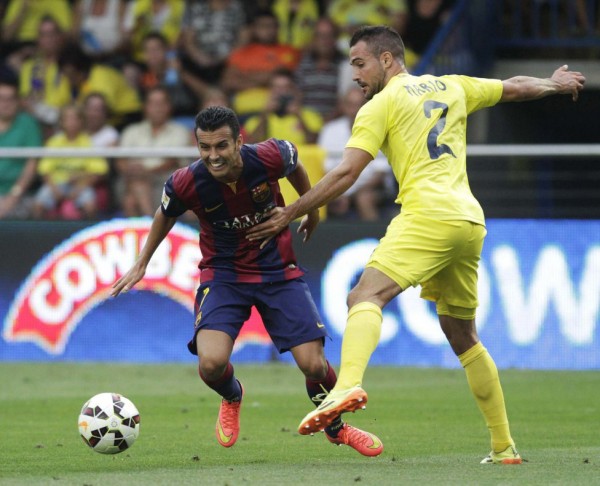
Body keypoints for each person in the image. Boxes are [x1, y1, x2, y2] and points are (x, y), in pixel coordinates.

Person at [246, 25, 586, 463]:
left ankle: (346, 385)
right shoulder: (453, 85)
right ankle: (504, 447)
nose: (354, 74)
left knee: (364, 295)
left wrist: (291, 211)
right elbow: (514, 87)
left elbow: (347, 174)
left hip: (427, 215)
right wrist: (553, 84)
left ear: (387, 60)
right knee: (462, 333)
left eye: (360, 62)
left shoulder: (379, 106)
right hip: (468, 220)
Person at [110, 105, 384, 456]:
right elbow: (165, 213)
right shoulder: (186, 181)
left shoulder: (270, 155)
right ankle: (232, 395)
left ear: (239, 141)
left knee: (314, 364)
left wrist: (309, 208)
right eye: (205, 148)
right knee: (210, 364)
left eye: (221, 146)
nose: (213, 156)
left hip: (277, 272)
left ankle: (336, 427)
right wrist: (142, 261)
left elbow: (295, 165)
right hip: (223, 275)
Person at [318, 86, 393, 221]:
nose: (354, 110)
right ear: (343, 106)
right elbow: (324, 168)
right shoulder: (330, 130)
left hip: (371, 188)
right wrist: (338, 193)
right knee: (316, 197)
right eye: (350, 104)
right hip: (337, 188)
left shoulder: (380, 128)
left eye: (359, 105)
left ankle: (375, 240)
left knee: (364, 198)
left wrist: (350, 194)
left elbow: (380, 174)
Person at [116, 86, 192, 217]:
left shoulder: (180, 131)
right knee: (137, 186)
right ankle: (153, 229)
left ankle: (151, 229)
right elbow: (120, 161)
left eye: (162, 103)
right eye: (153, 103)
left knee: (131, 201)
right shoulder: (131, 131)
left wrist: (147, 172)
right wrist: (130, 171)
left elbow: (173, 161)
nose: (158, 108)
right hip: (132, 178)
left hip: (165, 180)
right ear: (146, 107)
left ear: (169, 107)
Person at [33, 104, 109, 220]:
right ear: (61, 122)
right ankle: (37, 236)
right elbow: (44, 170)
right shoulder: (54, 142)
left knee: (90, 206)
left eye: (75, 118)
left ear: (81, 121)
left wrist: (80, 187)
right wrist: (54, 190)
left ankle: (88, 236)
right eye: (67, 118)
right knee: (37, 205)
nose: (71, 122)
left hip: (81, 185)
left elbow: (99, 171)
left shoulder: (88, 142)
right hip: (55, 184)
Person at [244, 68, 323, 145]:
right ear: (270, 91)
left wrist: (299, 117)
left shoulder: (310, 116)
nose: (280, 92)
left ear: (294, 90)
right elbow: (251, 148)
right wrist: (265, 116)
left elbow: (315, 143)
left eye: (285, 87)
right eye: (276, 87)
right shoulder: (256, 119)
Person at [0, 78, 43, 219]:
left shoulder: (28, 124)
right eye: (1, 99)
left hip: (20, 196)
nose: (5, 104)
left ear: (18, 102)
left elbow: (32, 164)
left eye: (10, 99)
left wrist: (14, 195)